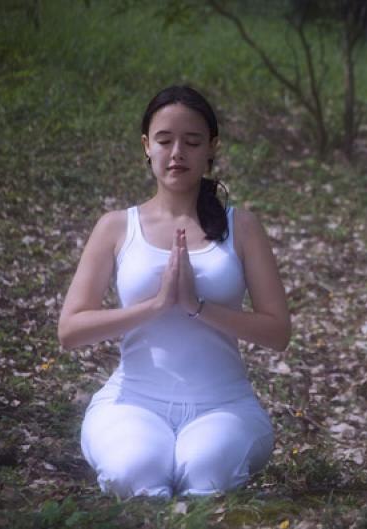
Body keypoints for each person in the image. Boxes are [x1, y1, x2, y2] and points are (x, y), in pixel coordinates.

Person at [58, 85, 291, 498]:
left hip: (224, 406)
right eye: (165, 140)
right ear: (147, 146)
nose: (177, 152)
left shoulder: (243, 228)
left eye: (193, 141)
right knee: (136, 473)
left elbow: (277, 333)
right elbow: (71, 331)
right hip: (132, 403)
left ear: (211, 148)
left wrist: (197, 307)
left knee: (207, 474)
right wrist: (157, 305)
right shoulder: (116, 227)